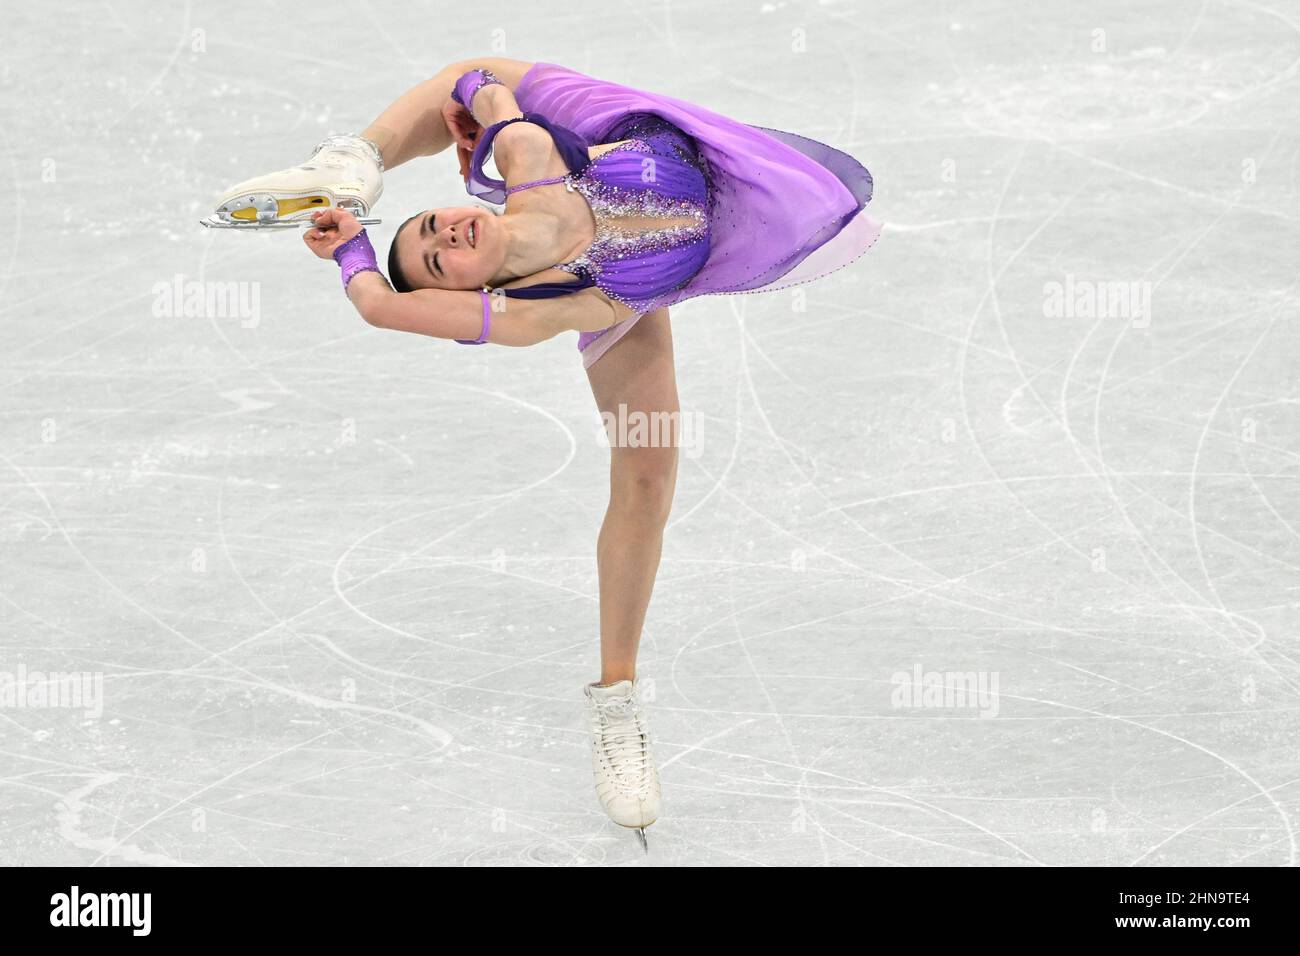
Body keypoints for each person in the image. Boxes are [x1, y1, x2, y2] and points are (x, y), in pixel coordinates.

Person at [212, 56, 881, 847]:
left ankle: (355, 157)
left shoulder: (530, 159)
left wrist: (473, 107)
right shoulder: (544, 310)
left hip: (664, 144)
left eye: (431, 222)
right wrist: (354, 251)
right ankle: (617, 703)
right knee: (645, 478)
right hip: (628, 292)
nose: (446, 231)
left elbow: (479, 78)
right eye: (440, 259)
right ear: (468, 294)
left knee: (484, 62)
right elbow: (379, 307)